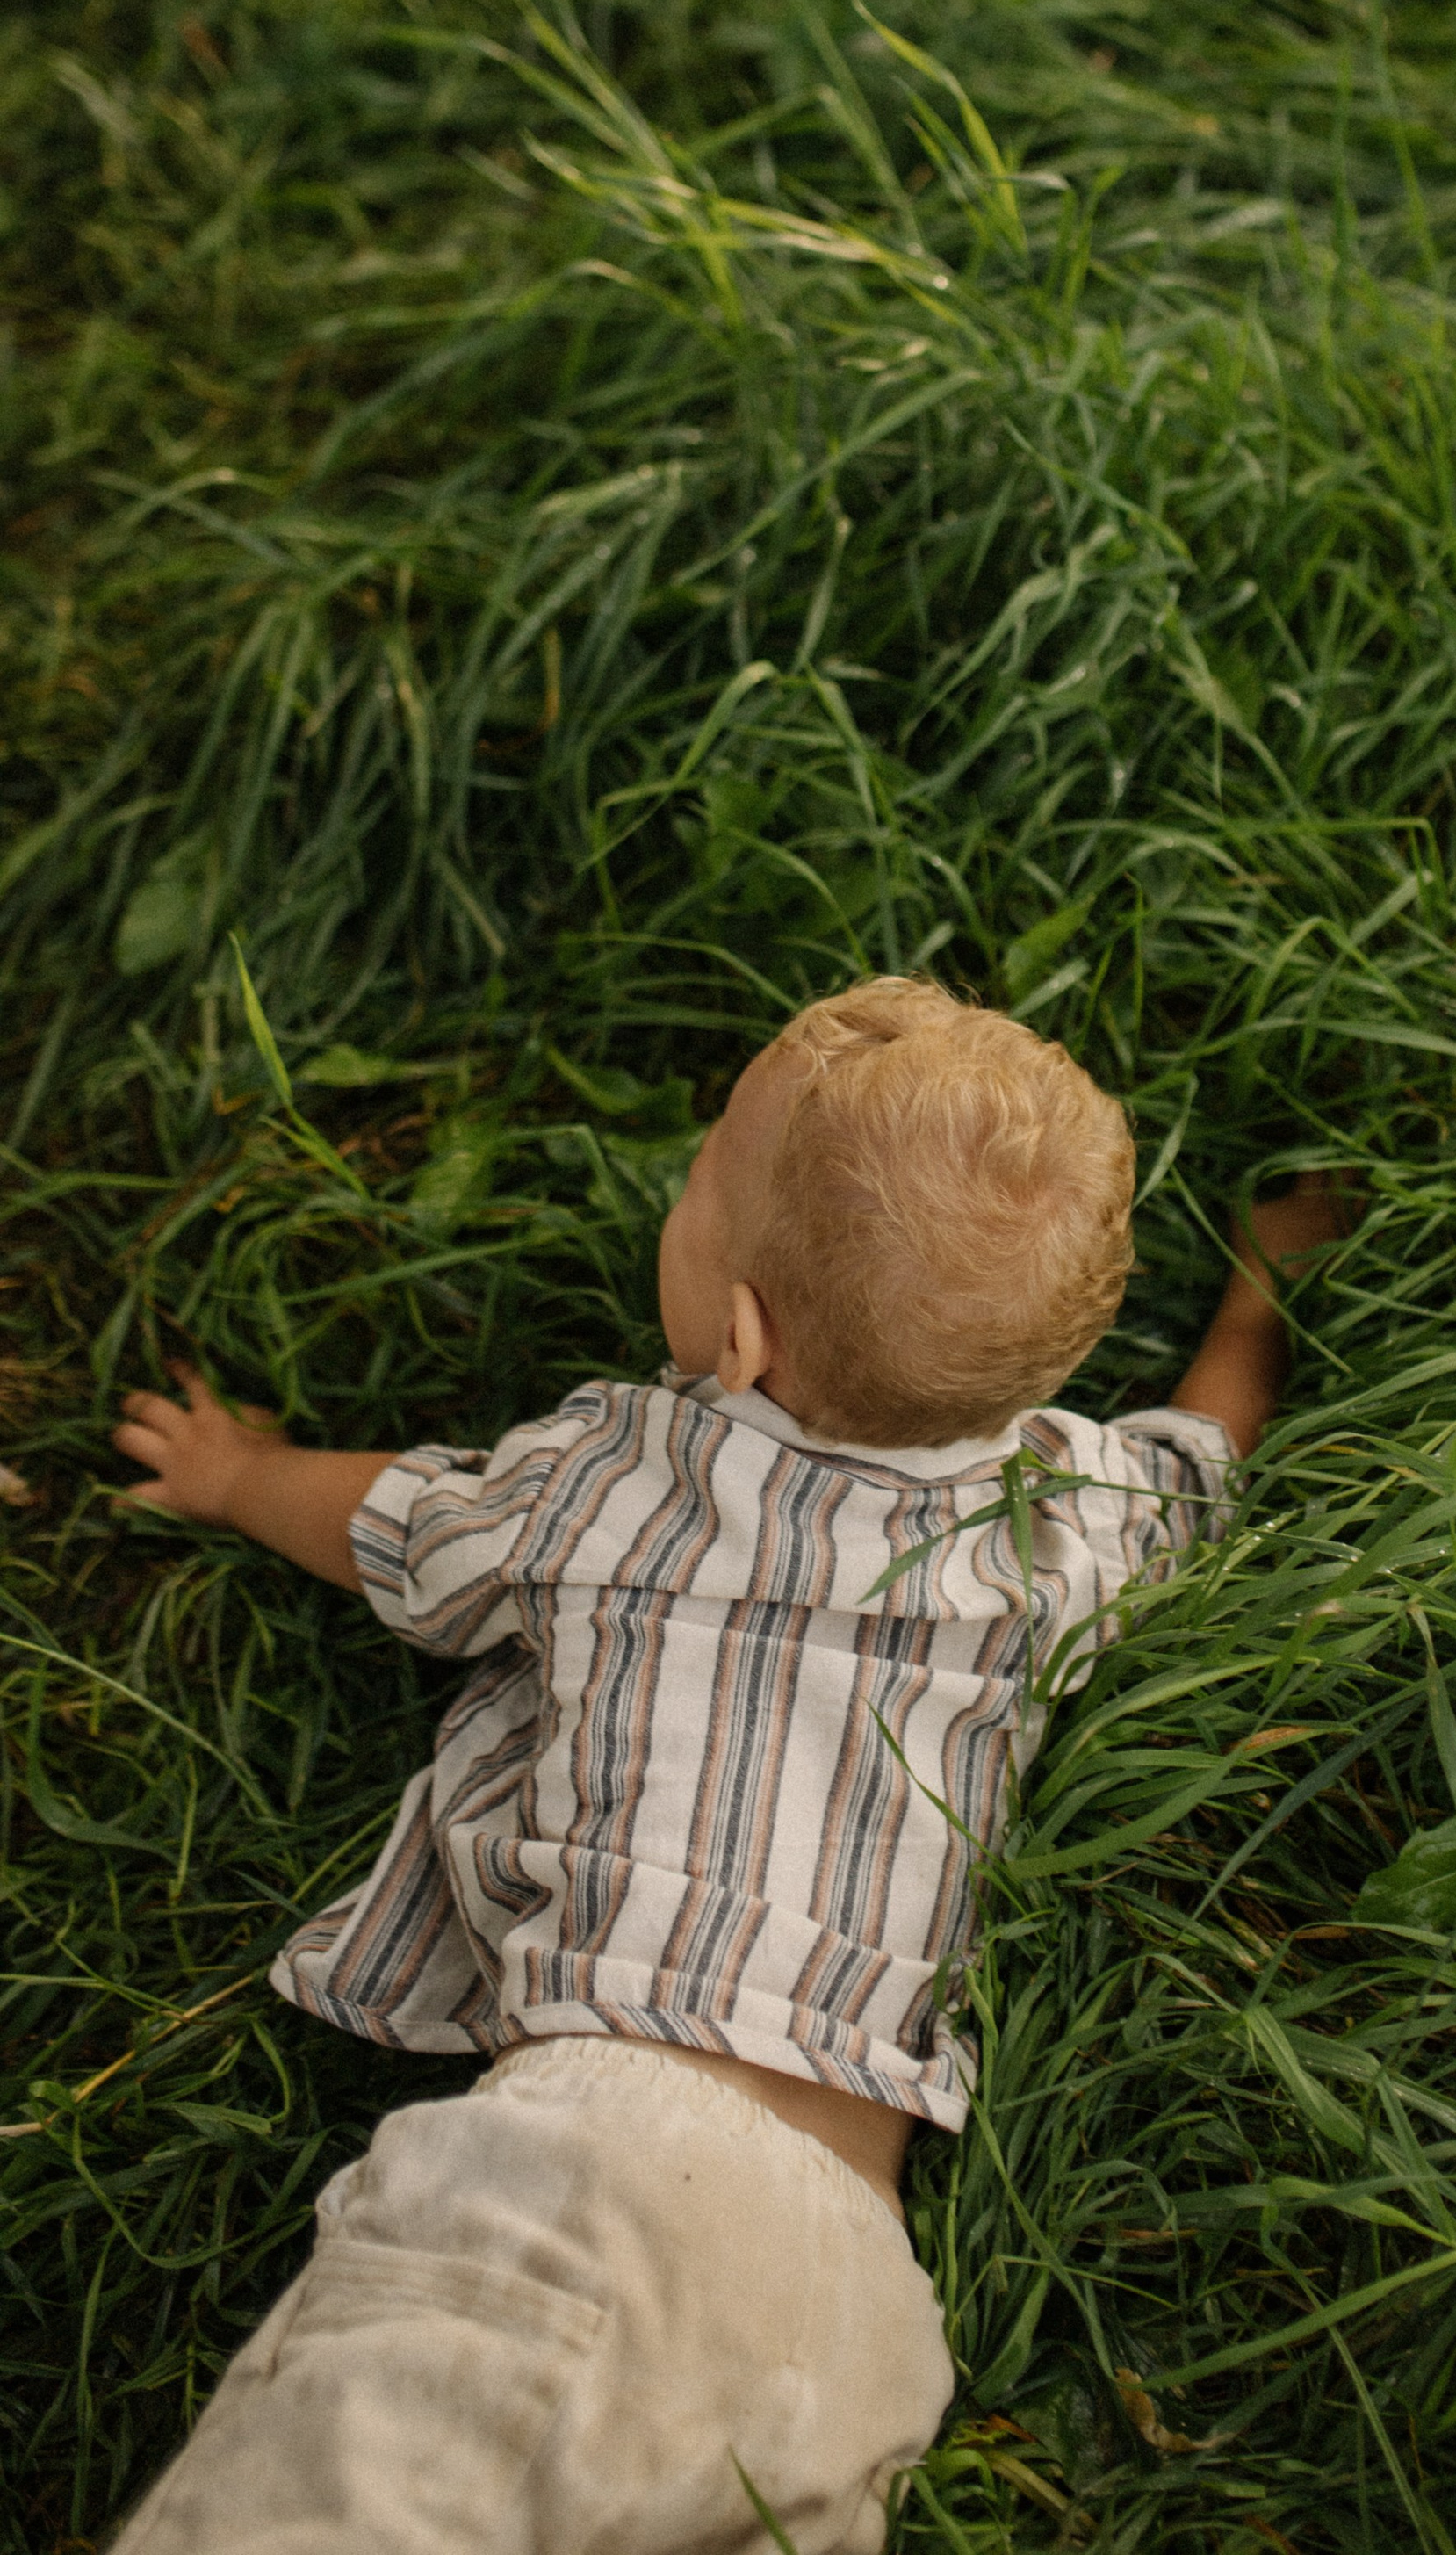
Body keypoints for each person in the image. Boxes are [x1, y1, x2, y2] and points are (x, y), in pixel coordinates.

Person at [106, 976, 1342, 2555]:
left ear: (741, 1337)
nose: (682, 1194)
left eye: (697, 1186)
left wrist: (236, 1474)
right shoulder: (1075, 1528)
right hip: (860, 2309)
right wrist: (1258, 1292)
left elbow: (399, 1531)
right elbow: (1208, 1449)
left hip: (592, 2179)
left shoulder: (623, 1478)